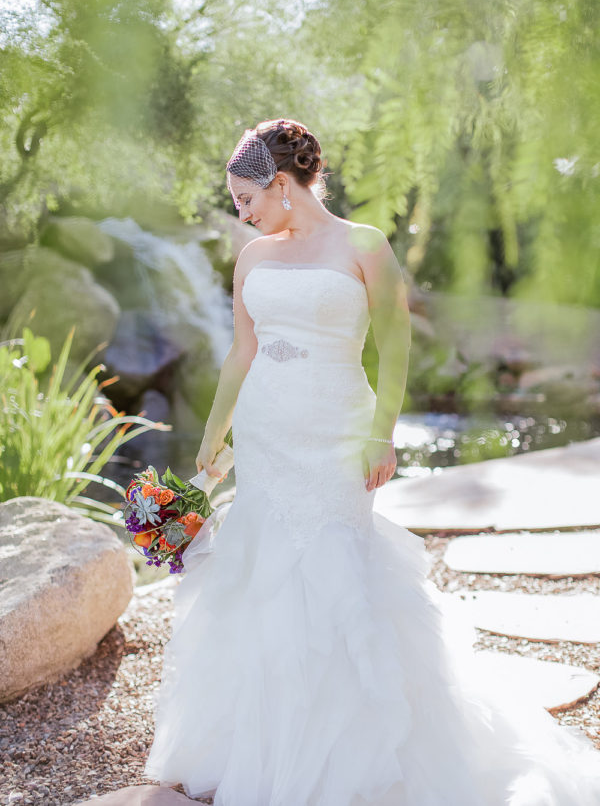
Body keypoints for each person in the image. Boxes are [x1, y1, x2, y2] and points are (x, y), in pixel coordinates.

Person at [144, 119, 600, 805]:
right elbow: (243, 351)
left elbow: (394, 341)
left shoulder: (364, 244)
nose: (241, 213)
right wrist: (214, 432)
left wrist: (382, 433)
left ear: (282, 183)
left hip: (338, 428)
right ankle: (262, 742)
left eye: (246, 198)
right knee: (264, 565)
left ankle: (353, 748)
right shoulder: (252, 257)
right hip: (267, 433)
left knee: (335, 562)